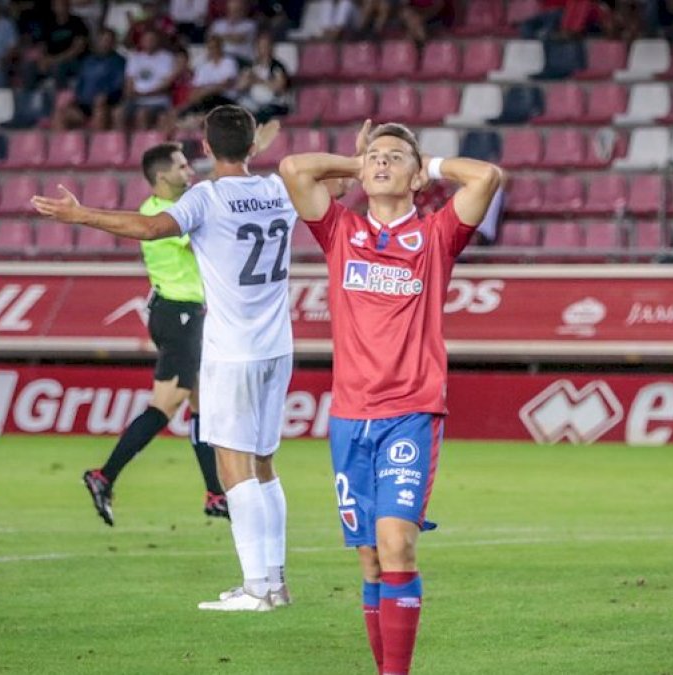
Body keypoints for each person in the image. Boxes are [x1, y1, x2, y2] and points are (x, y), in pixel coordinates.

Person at [32, 105, 292, 612]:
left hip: (230, 346)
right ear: (254, 147)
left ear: (208, 148)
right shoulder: (277, 189)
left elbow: (152, 229)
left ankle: (258, 588)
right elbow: (329, 186)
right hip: (277, 346)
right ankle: (275, 582)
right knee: (263, 463)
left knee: (232, 461)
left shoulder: (206, 197)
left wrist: (80, 214)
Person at [278, 121, 501, 675]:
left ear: (414, 174)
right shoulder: (339, 231)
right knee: (371, 560)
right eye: (374, 157)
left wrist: (433, 165)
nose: (380, 164)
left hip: (411, 412)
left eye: (393, 158)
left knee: (397, 545)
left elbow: (488, 176)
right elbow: (292, 169)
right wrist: (358, 163)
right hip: (351, 416)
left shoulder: (435, 236)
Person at [81, 142, 229, 525]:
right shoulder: (163, 215)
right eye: (182, 166)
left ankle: (215, 493)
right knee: (164, 407)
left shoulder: (162, 210)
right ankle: (104, 475)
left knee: (202, 406)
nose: (189, 171)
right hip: (179, 315)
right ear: (161, 175)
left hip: (179, 313)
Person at [54, 27, 125, 130]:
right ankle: (60, 144)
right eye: (103, 40)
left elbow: (118, 86)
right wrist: (76, 98)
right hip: (84, 104)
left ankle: (100, 144)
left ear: (114, 43)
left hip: (106, 104)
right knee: (61, 113)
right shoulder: (88, 61)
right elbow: (80, 83)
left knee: (99, 110)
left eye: (109, 40)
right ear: (98, 41)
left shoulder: (119, 62)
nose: (105, 43)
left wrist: (106, 96)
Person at [21, 0, 89, 89]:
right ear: (53, 8)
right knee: (29, 66)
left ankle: (61, 99)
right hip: (52, 59)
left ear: (68, 6)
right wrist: (43, 59)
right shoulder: (48, 23)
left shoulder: (77, 22)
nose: (60, 8)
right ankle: (29, 98)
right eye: (57, 5)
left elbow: (77, 49)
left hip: (72, 61)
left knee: (58, 67)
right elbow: (42, 45)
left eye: (63, 5)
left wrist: (54, 60)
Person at [122, 28, 175, 131]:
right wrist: (130, 93)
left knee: (142, 113)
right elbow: (129, 80)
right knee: (118, 113)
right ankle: (117, 143)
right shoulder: (135, 57)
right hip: (136, 99)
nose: (149, 42)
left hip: (158, 100)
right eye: (146, 39)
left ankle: (142, 143)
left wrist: (147, 93)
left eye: (152, 39)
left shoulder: (167, 58)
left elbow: (166, 84)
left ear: (157, 41)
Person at [176, 35, 238, 119]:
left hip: (226, 98)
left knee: (206, 101)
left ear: (220, 47)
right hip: (206, 98)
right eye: (210, 48)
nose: (213, 50)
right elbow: (195, 89)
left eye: (215, 47)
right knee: (186, 111)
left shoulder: (228, 62)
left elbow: (226, 84)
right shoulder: (204, 67)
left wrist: (206, 90)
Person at [236, 33, 290, 124]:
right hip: (254, 103)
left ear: (271, 48)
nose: (263, 49)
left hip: (273, 103)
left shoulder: (277, 67)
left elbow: (279, 88)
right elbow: (240, 86)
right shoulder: (251, 66)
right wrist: (248, 79)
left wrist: (258, 80)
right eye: (261, 46)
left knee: (262, 114)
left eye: (266, 46)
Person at [209, 0, 256, 64]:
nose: (234, 13)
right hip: (222, 60)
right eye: (231, 10)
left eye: (237, 10)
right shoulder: (218, 24)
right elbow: (210, 40)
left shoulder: (250, 25)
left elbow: (237, 39)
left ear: (243, 10)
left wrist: (219, 37)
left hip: (242, 60)